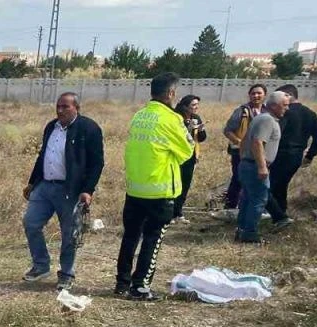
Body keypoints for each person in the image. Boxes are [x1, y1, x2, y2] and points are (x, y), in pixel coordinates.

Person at [116, 72, 193, 302]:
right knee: (152, 239)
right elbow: (187, 151)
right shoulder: (172, 119)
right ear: (171, 93)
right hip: (160, 191)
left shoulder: (139, 115)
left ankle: (122, 283)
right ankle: (140, 287)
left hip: (135, 189)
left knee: (130, 236)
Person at [21, 91, 104, 291]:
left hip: (70, 190)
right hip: (45, 186)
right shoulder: (52, 126)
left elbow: (97, 163)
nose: (60, 110)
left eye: (65, 106)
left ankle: (66, 274)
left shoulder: (89, 128)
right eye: (58, 106)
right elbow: (43, 156)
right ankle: (41, 265)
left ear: (76, 108)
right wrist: (32, 182)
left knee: (70, 233)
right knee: (31, 223)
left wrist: (87, 190)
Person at [235, 91, 290, 243]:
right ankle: (249, 233)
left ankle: (242, 230)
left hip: (249, 164)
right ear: (274, 105)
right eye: (284, 105)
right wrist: (261, 166)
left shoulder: (261, 118)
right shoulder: (267, 120)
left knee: (248, 199)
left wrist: (244, 158)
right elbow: (257, 142)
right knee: (258, 200)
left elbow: (244, 141)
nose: (287, 108)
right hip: (255, 166)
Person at [264, 84, 317, 229]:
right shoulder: (310, 114)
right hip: (296, 156)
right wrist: (310, 155)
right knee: (281, 186)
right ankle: (280, 214)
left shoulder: (284, 112)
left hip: (281, 153)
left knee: (269, 186)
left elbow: (275, 134)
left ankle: (279, 216)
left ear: (288, 95)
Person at [221, 84, 267, 211]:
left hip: (261, 152)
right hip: (240, 152)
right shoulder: (242, 111)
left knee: (257, 180)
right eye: (253, 93)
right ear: (249, 95)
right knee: (238, 178)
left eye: (259, 93)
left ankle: (250, 206)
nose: (256, 96)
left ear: (265, 95)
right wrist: (240, 142)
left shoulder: (267, 111)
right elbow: (228, 130)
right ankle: (230, 206)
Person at [172, 95, 207, 223]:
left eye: (197, 105)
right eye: (193, 105)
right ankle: (169, 213)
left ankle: (178, 213)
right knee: (173, 185)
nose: (196, 107)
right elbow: (175, 137)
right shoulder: (176, 118)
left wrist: (201, 130)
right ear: (185, 106)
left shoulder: (196, 118)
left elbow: (201, 138)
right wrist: (188, 128)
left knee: (185, 185)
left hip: (191, 156)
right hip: (177, 156)